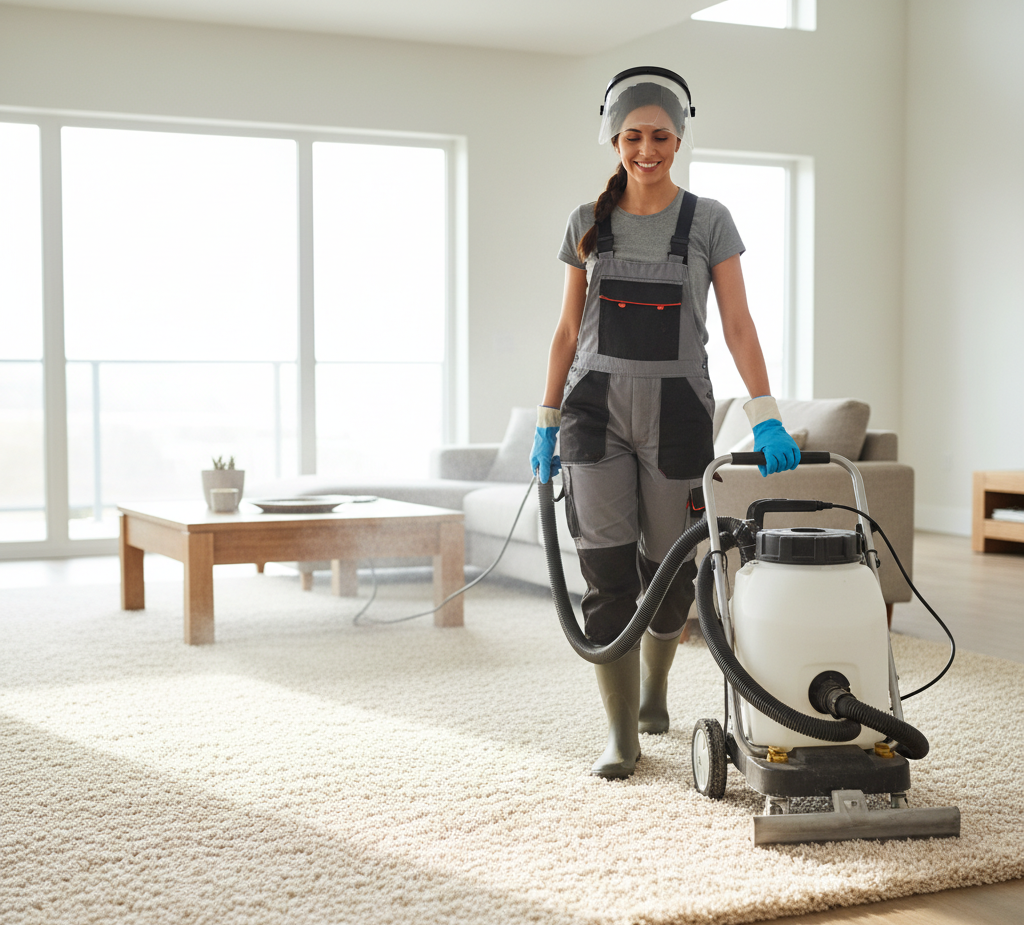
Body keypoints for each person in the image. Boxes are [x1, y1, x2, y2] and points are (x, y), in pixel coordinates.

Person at [530, 67, 801, 780]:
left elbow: (738, 324)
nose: (645, 149)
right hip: (593, 416)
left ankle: (654, 691)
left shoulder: (708, 219)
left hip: (679, 415)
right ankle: (621, 733)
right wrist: (545, 419)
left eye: (659, 136)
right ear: (614, 139)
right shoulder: (586, 221)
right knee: (606, 573)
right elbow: (565, 331)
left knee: (670, 572)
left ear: (677, 138)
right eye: (632, 136)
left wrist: (765, 414)